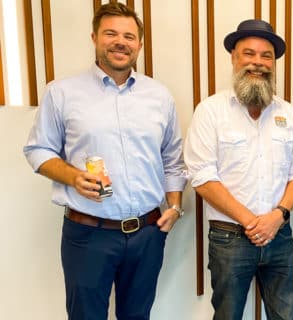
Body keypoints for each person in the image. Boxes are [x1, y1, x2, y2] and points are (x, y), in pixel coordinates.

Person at [23, 3, 187, 320]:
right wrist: (73, 177)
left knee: (137, 316)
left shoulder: (159, 96)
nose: (120, 42)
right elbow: (38, 150)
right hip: (88, 233)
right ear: (95, 37)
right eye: (110, 33)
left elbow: (172, 159)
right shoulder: (62, 92)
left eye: (128, 35)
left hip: (147, 232)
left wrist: (175, 206)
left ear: (139, 44)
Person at [183, 19, 293, 320]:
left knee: (286, 316)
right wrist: (253, 222)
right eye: (249, 54)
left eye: (266, 55)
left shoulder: (288, 113)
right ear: (234, 57)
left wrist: (276, 217)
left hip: (279, 237)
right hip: (229, 239)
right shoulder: (210, 111)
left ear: (274, 62)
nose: (258, 62)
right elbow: (202, 177)